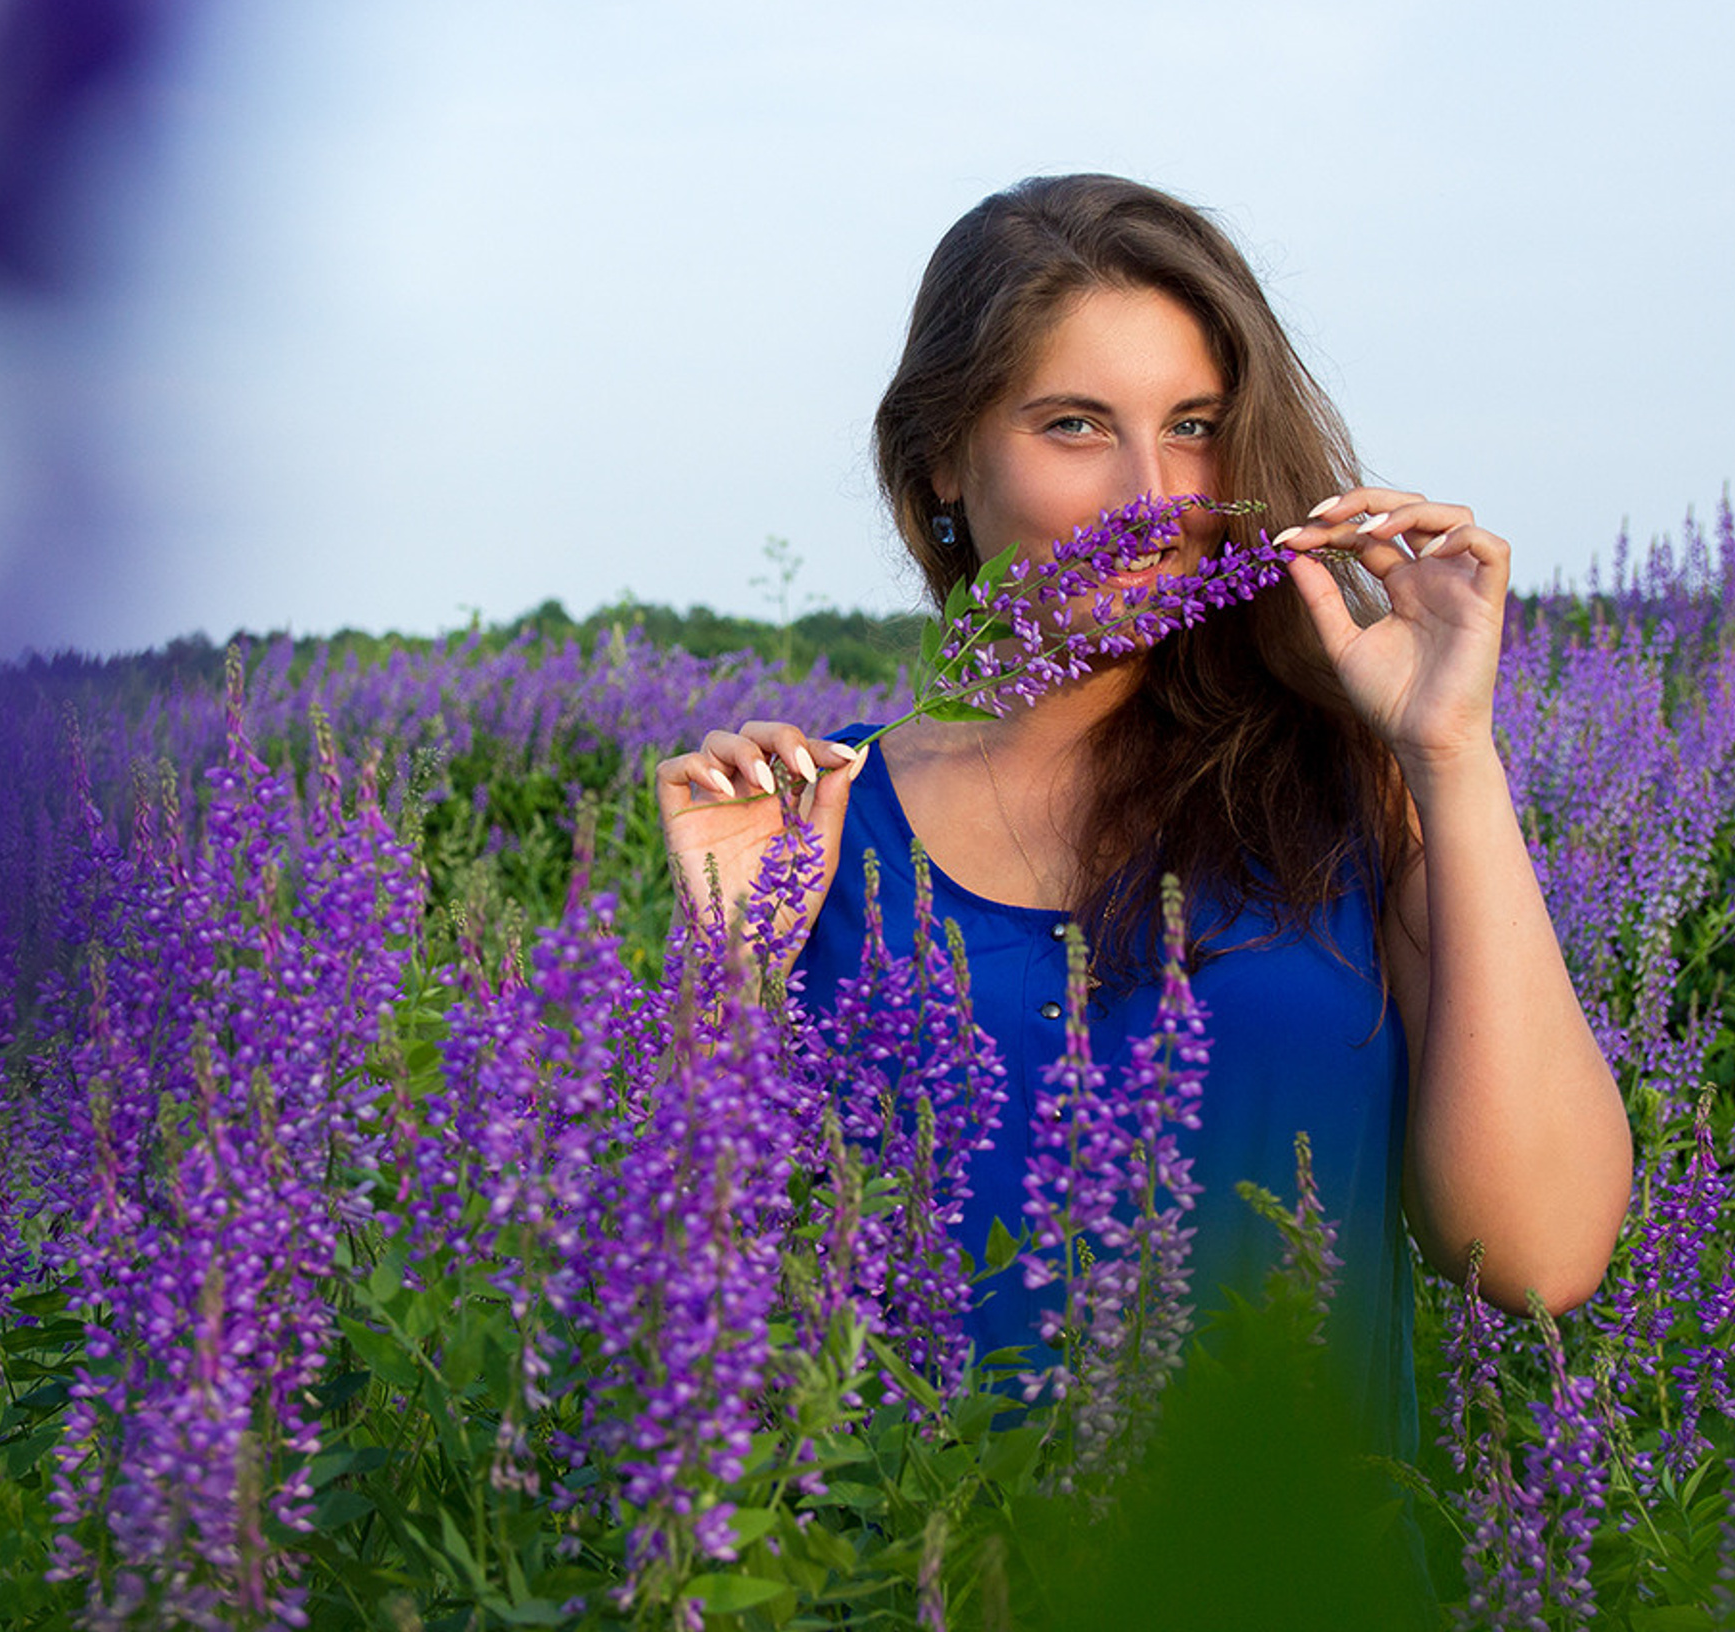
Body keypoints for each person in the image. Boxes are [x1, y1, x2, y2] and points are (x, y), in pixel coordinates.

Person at [654, 173, 1631, 1451]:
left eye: (1195, 425)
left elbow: (1537, 1254)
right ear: (944, 456)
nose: (1149, 494)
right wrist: (727, 966)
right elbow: (673, 1312)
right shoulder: (814, 824)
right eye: (1072, 425)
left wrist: (1452, 755)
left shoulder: (1352, 788)